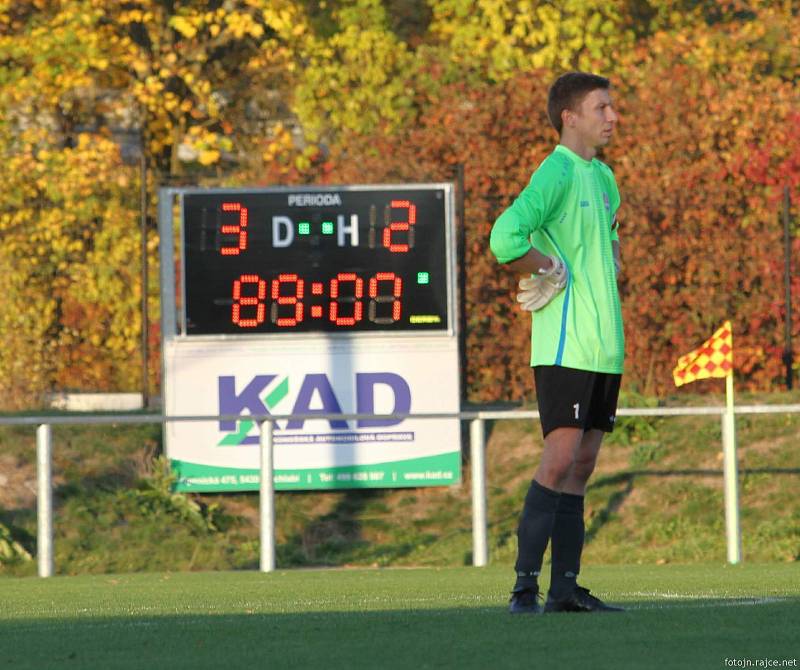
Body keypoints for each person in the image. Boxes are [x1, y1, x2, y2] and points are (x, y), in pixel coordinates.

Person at [489, 72, 625, 614]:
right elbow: (505, 238)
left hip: (604, 345)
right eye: (602, 107)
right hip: (566, 345)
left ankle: (565, 589)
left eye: (612, 108)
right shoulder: (556, 171)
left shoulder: (606, 178)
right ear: (570, 116)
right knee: (560, 456)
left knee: (584, 463)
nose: (612, 117)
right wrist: (546, 265)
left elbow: (610, 248)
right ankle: (525, 587)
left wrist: (608, 258)